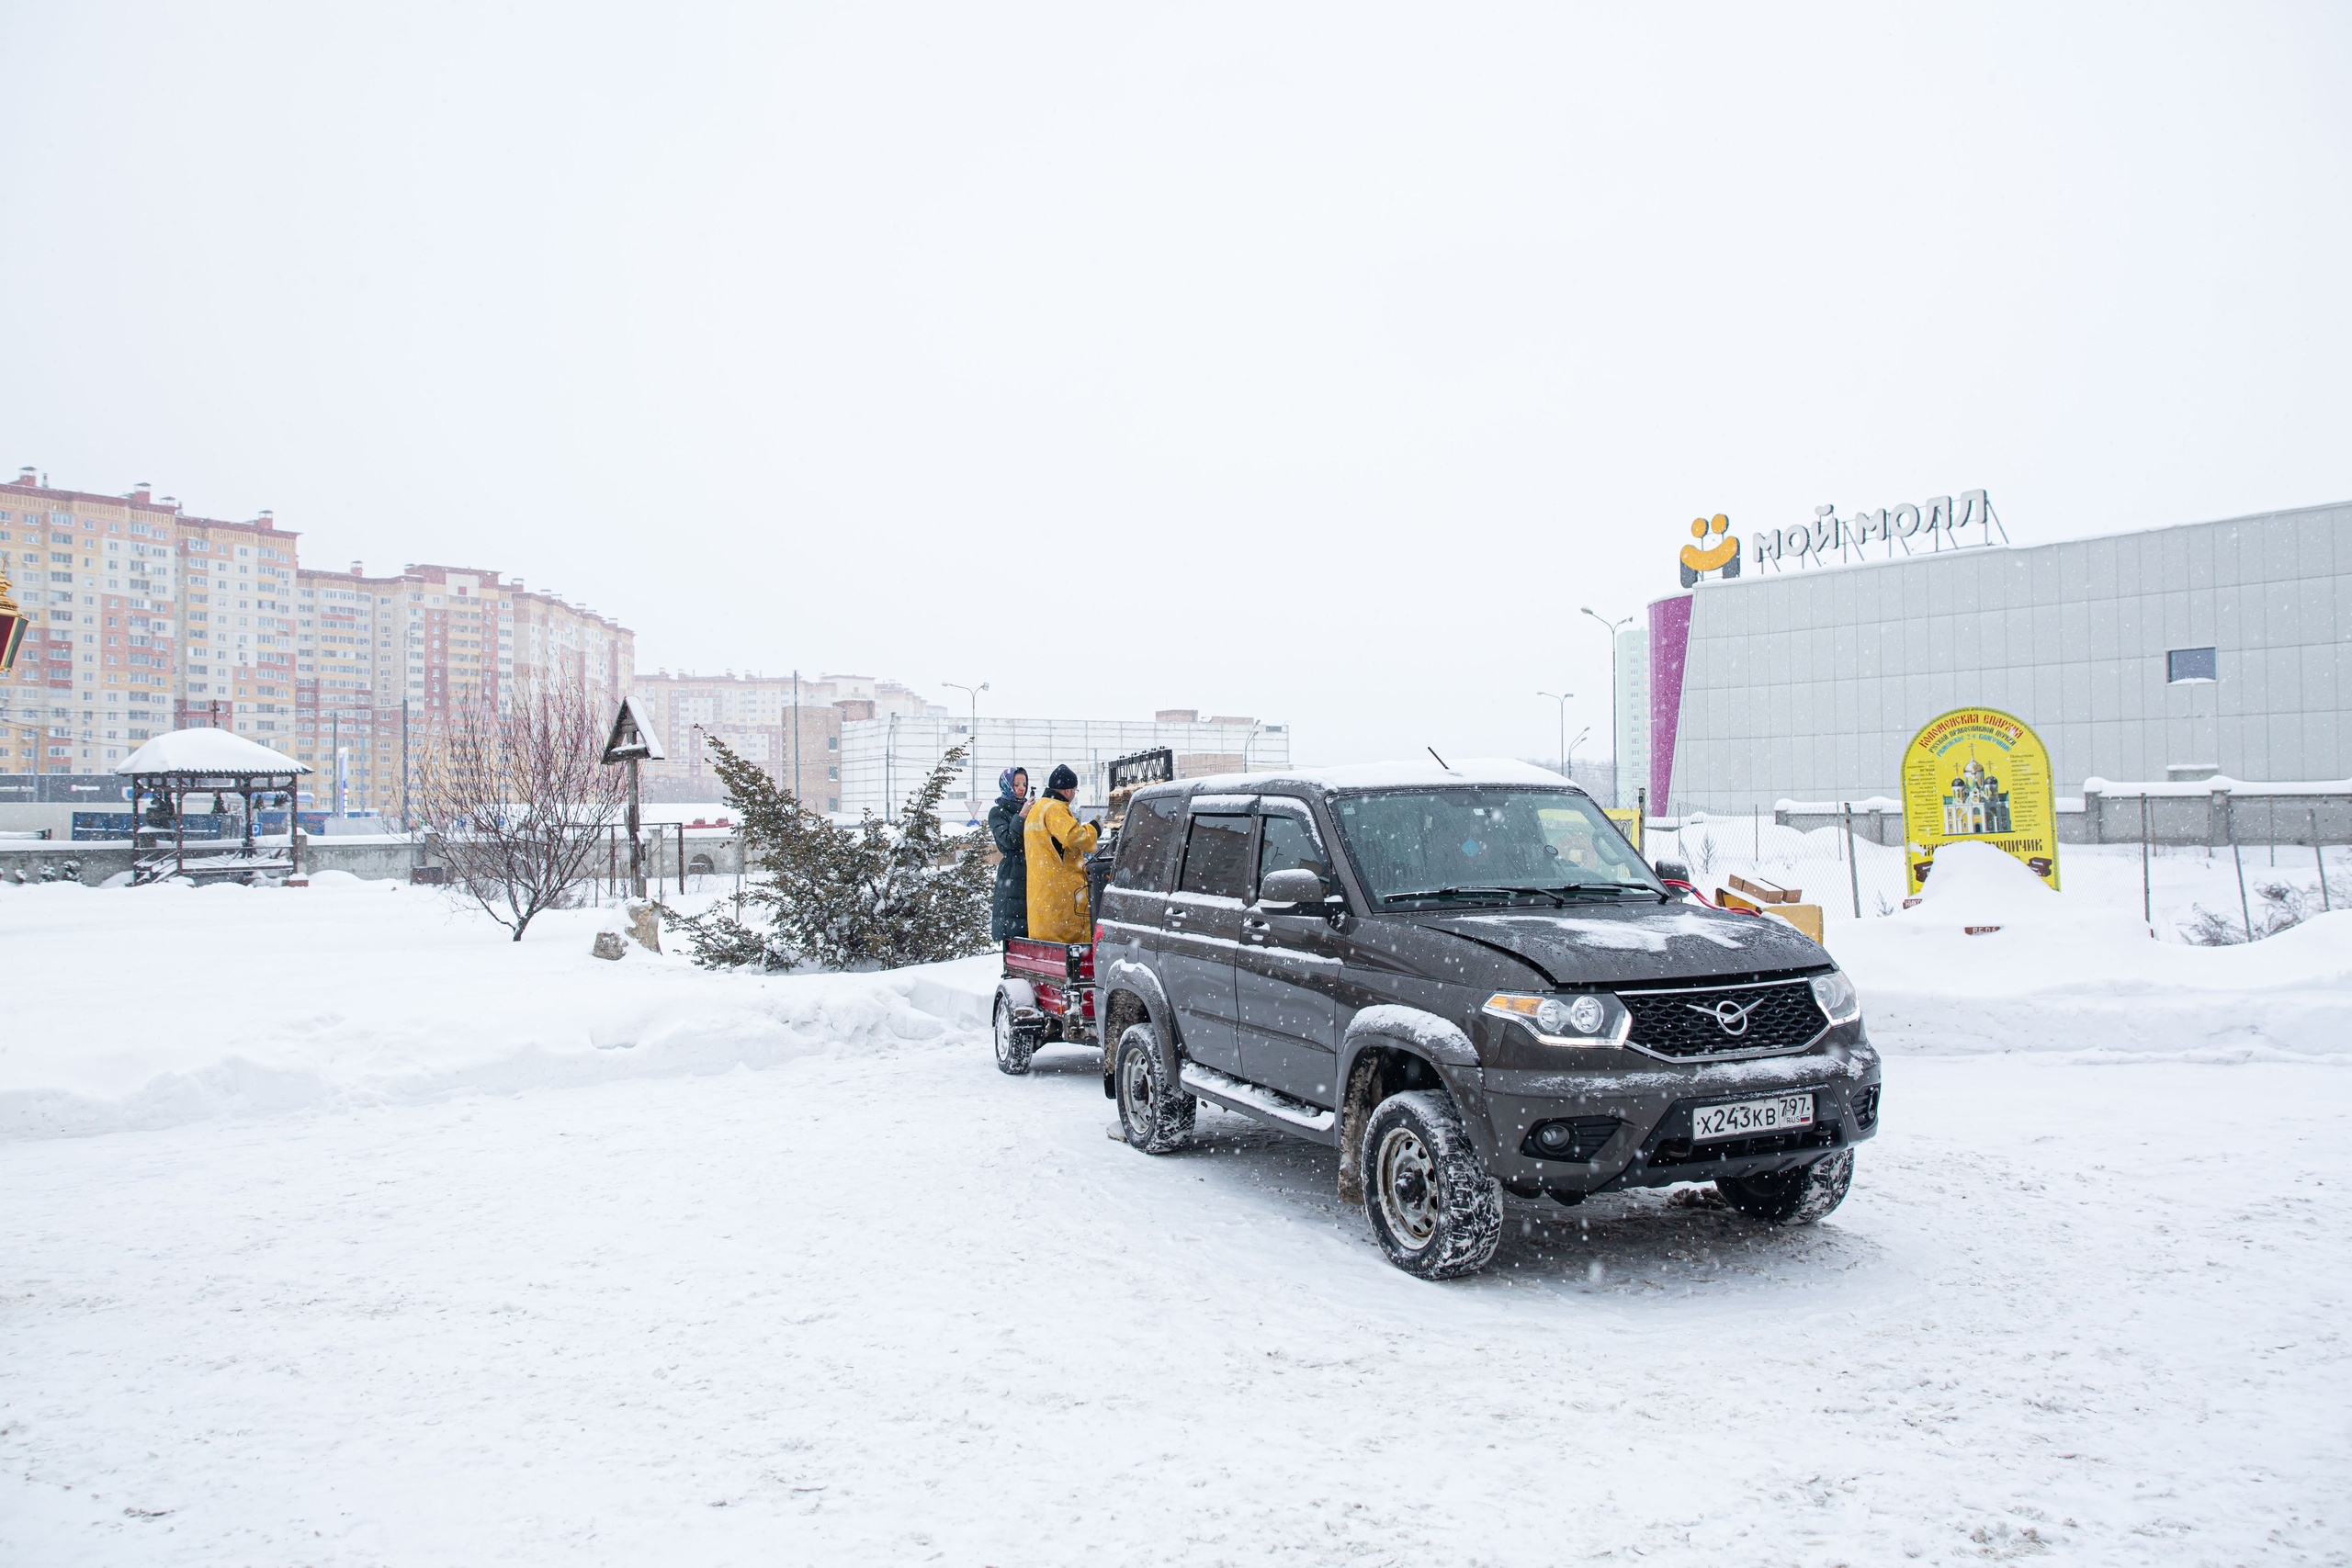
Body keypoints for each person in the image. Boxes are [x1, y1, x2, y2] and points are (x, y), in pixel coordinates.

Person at [1023, 763, 1099, 942]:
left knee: (1049, 940)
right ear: (1067, 791)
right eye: (1075, 790)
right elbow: (1074, 837)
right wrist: (1095, 828)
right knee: (1071, 941)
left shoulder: (1036, 809)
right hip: (1061, 895)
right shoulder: (1054, 809)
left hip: (1041, 896)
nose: (1074, 794)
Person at [988, 767, 1031, 942]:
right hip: (1012, 875)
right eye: (1017, 784)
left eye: (1024, 784)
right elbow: (1008, 842)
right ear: (1007, 785)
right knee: (1015, 932)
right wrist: (1021, 816)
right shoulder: (997, 812)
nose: (1022, 788)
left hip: (1032, 870)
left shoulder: (1030, 809)